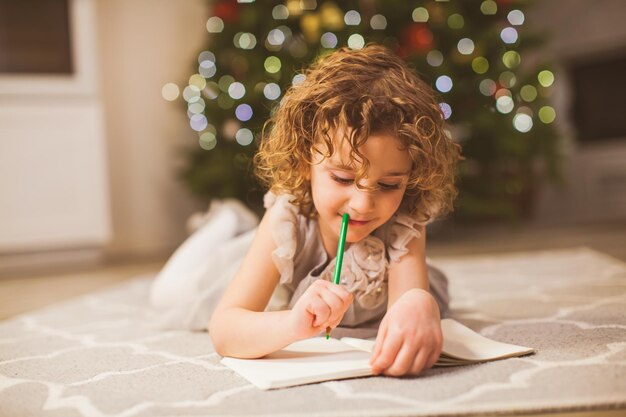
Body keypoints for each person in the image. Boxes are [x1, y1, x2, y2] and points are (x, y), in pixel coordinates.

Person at [149, 43, 461, 377]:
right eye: (343, 178)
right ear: (303, 162)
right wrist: (291, 323)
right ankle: (223, 222)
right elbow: (225, 330)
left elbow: (407, 300)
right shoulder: (286, 219)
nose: (363, 204)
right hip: (236, 267)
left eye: (388, 185)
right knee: (168, 293)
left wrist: (419, 303)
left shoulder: (404, 221)